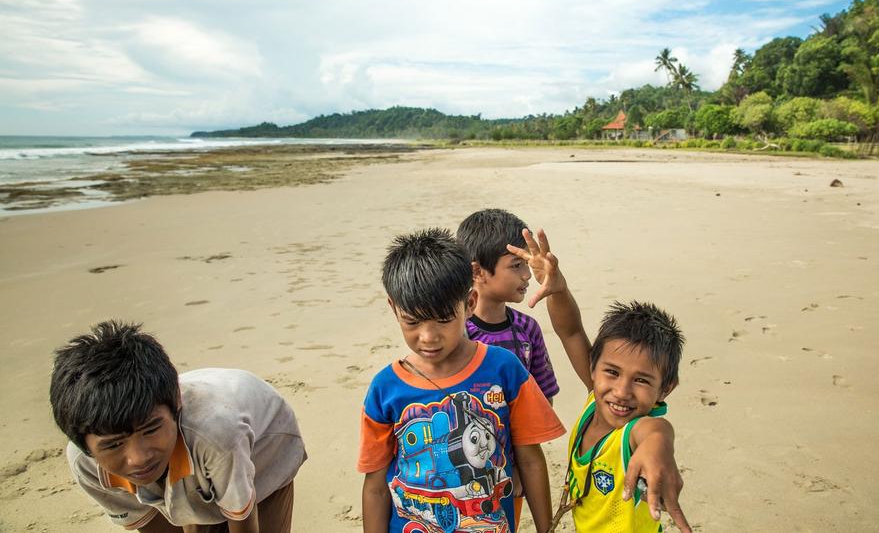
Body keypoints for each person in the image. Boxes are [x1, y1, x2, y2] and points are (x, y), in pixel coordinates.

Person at [358, 228, 565, 533]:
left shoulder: (504, 369)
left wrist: (546, 528)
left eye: (443, 319)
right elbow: (375, 486)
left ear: (469, 303)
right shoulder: (384, 389)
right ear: (393, 308)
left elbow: (531, 459)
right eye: (412, 321)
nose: (428, 337)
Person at [507, 228, 693, 533]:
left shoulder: (634, 430)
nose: (621, 391)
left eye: (642, 380)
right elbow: (571, 332)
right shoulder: (597, 395)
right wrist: (557, 290)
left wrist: (659, 446)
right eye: (613, 372)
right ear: (593, 367)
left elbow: (655, 432)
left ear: (665, 389)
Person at [49, 320, 307, 533]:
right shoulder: (85, 464)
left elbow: (242, 515)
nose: (139, 458)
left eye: (150, 429)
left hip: (265, 444)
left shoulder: (218, 434)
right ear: (85, 446)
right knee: (193, 509)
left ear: (176, 401)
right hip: (195, 447)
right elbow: (150, 523)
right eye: (114, 444)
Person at [457, 209, 559, 403]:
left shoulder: (528, 329)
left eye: (526, 264)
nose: (527, 275)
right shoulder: (457, 331)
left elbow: (544, 397)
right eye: (516, 265)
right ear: (478, 271)